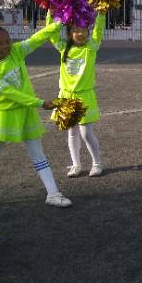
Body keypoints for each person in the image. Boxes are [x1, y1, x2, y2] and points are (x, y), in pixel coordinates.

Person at [0, 25, 72, 207]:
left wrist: (59, 23)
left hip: (27, 112)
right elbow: (10, 93)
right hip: (6, 115)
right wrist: (40, 103)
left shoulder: (16, 51)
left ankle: (53, 193)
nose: (5, 46)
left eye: (7, 41)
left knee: (38, 153)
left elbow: (36, 39)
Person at [47, 11, 106, 178]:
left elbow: (99, 31)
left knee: (86, 132)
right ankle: (76, 165)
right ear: (69, 33)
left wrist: (101, 15)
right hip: (67, 96)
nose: (80, 33)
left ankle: (97, 163)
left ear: (88, 31)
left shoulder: (91, 47)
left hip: (84, 96)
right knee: (72, 132)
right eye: (75, 30)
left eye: (83, 30)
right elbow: (51, 33)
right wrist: (50, 13)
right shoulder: (63, 47)